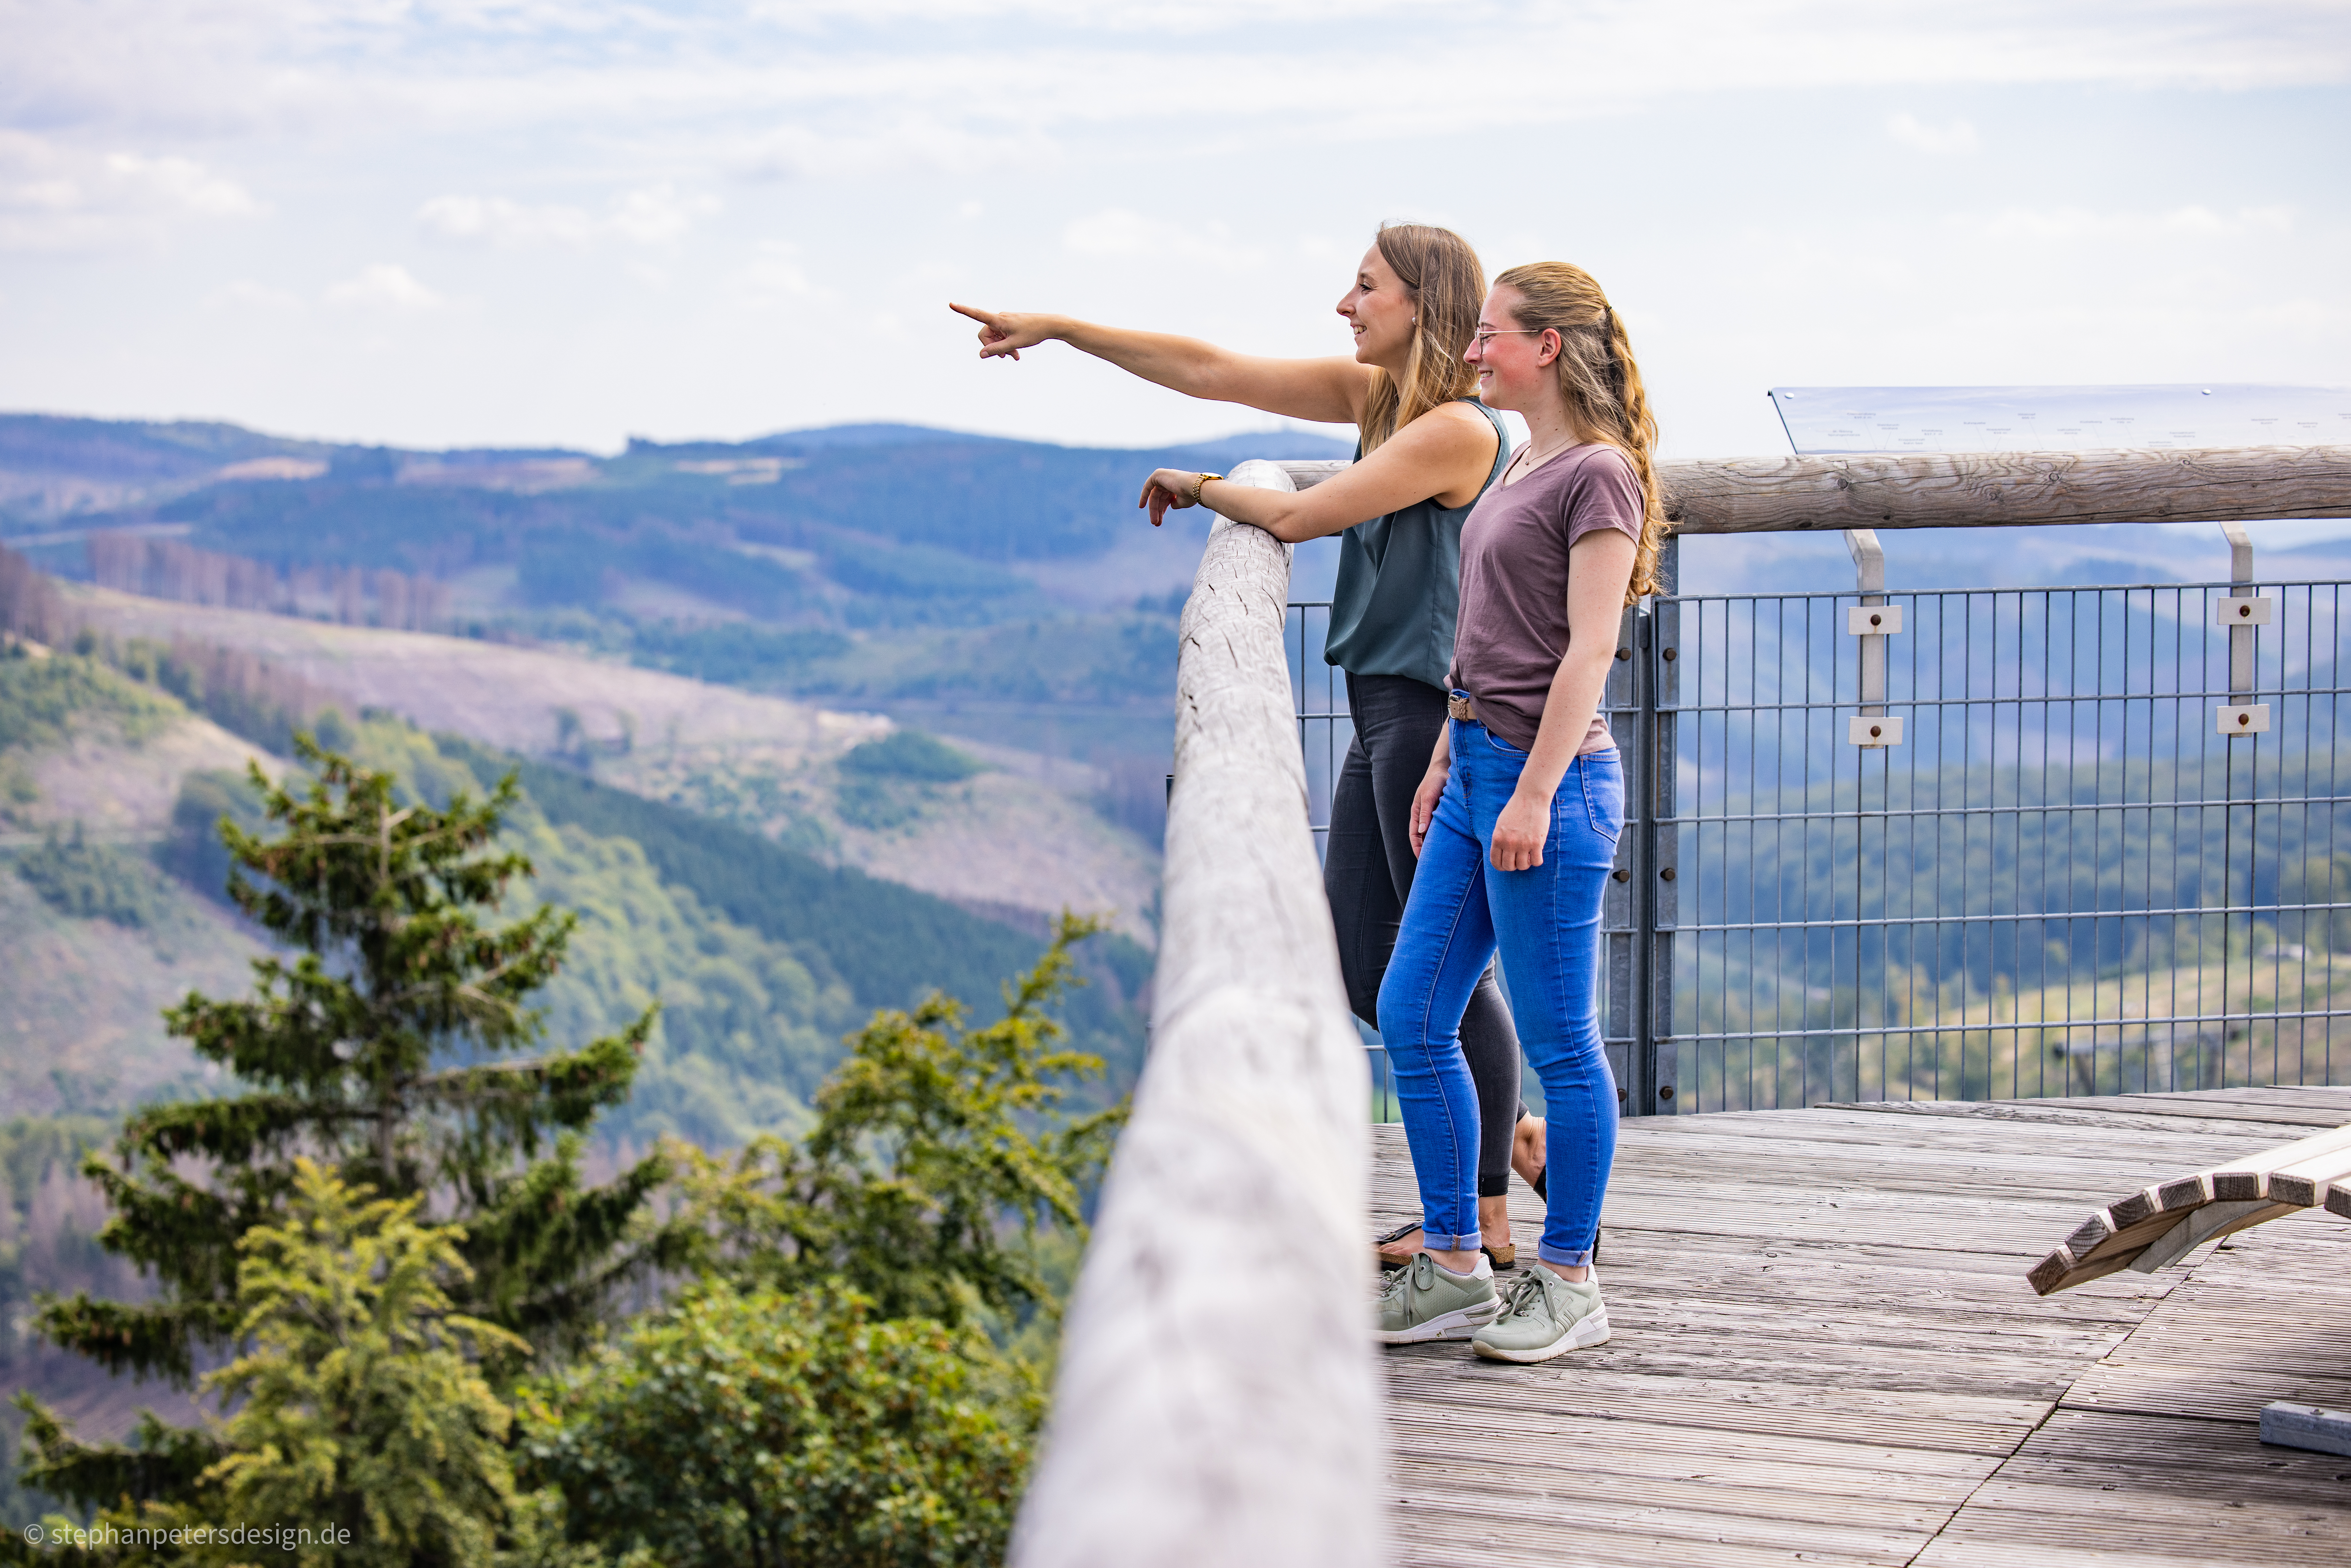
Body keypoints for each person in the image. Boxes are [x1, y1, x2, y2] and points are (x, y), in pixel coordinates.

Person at [952, 224, 1543, 1264]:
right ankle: (1498, 1159)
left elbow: (1302, 518)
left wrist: (1202, 487)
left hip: (1424, 720)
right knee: (1369, 966)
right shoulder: (1385, 403)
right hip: (1381, 716)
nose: (1344, 305)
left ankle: (1486, 1220)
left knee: (1447, 977)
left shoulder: (1457, 428)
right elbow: (1215, 371)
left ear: (1421, 304)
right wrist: (1059, 329)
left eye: (1366, 289)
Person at [1368, 261, 1665, 1361]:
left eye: (1491, 335)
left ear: (1549, 346)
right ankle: (1453, 1264)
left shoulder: (1601, 477)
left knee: (1561, 1044)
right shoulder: (1522, 459)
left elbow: (1591, 647)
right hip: (1479, 769)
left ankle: (1571, 1280)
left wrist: (1533, 789)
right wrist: (1450, 748)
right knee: (1412, 1011)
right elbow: (1487, 628)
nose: (1472, 351)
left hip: (1555, 783)